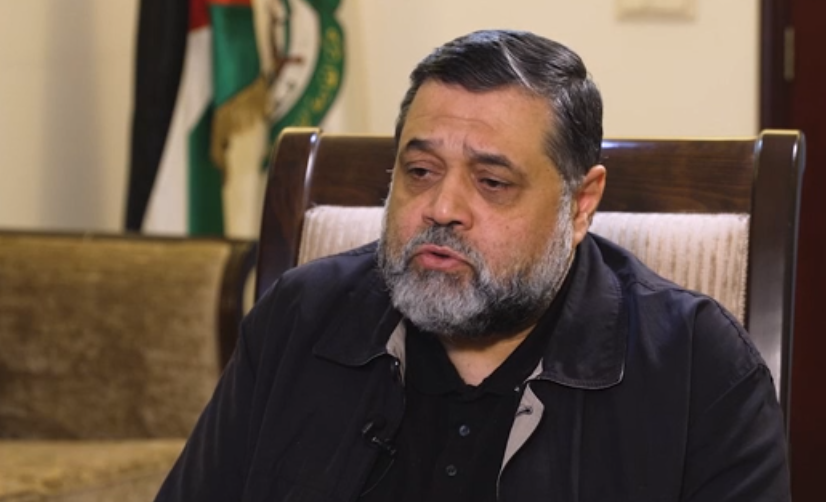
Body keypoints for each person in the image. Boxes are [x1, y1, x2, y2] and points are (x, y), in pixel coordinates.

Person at [154, 29, 790, 501]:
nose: (442, 208)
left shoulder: (698, 367)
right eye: (420, 171)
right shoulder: (301, 316)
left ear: (580, 204)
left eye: (492, 182)